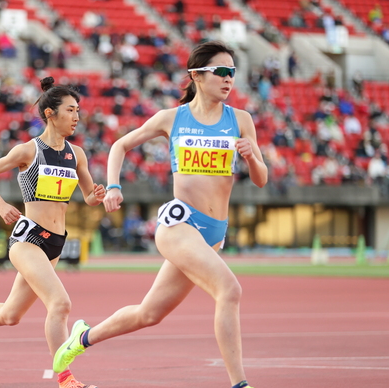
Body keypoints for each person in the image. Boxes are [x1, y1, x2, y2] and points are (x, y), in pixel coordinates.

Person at [52, 41, 268, 388]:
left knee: (149, 314)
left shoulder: (240, 120)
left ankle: (81, 338)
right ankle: (240, 384)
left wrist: (254, 157)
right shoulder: (173, 118)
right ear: (197, 75)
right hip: (180, 225)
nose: (229, 80)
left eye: (233, 73)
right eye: (222, 72)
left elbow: (261, 180)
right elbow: (120, 145)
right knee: (230, 290)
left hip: (213, 233)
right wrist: (114, 185)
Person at [0, 76, 106, 388]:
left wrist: (96, 197)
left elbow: (87, 196)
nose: (77, 117)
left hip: (56, 243)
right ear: (50, 114)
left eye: (78, 111)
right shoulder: (28, 151)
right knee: (60, 304)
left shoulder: (77, 154)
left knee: (10, 315)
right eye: (70, 110)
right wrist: (1, 204)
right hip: (28, 240)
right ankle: (65, 378)